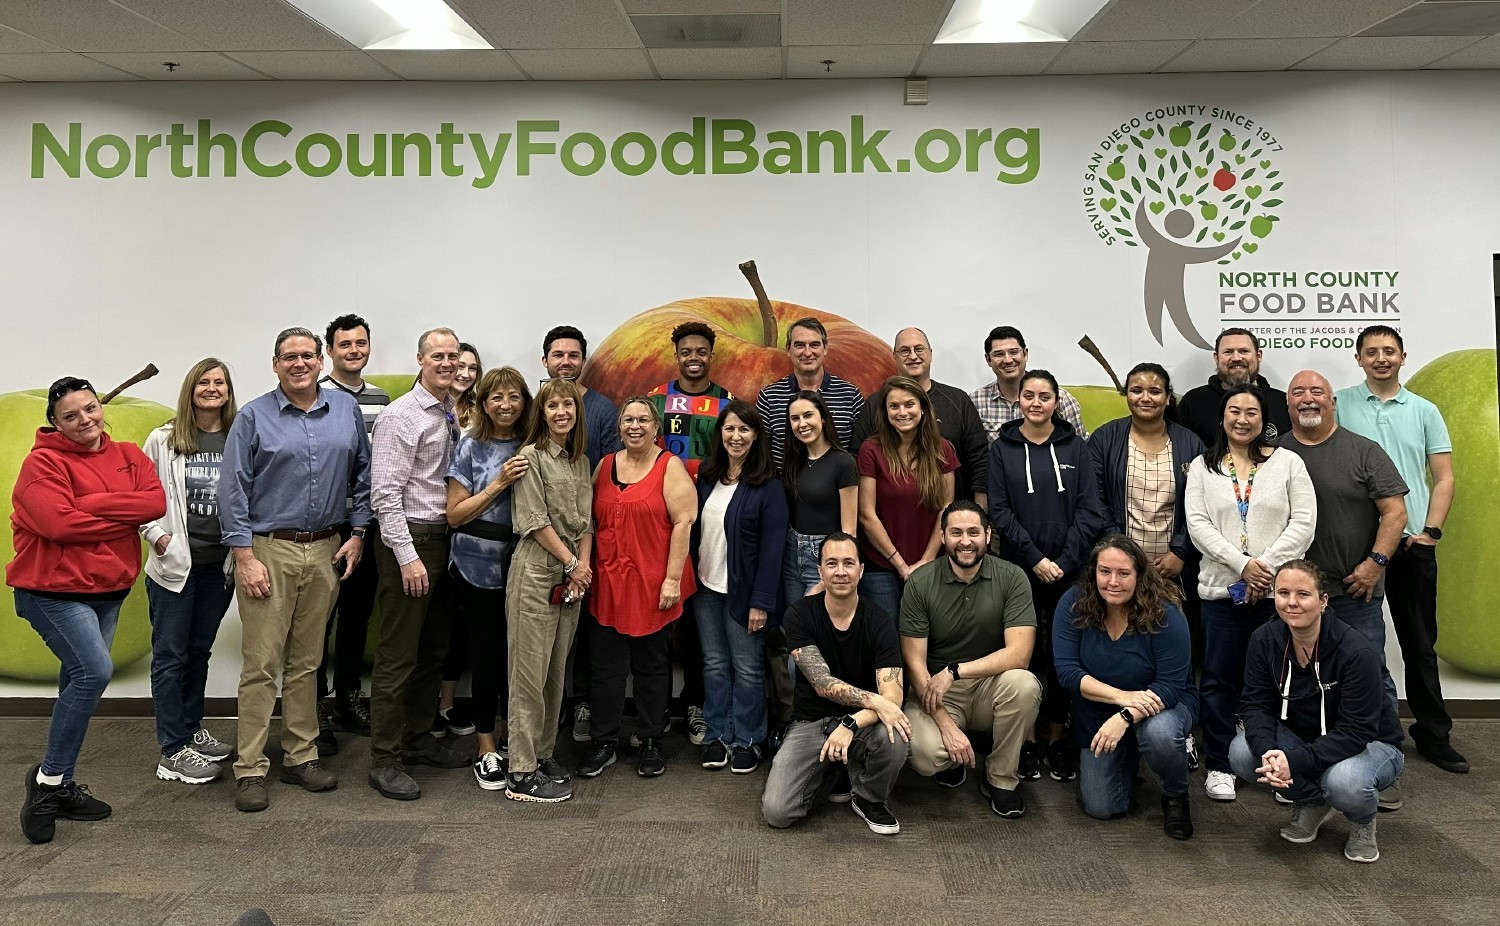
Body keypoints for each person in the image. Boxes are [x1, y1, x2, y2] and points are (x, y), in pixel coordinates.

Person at [220, 328, 370, 813]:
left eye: (308, 355)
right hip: (269, 551)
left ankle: (301, 756)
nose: (300, 363)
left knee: (306, 663)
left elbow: (364, 474)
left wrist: (359, 532)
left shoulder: (344, 410)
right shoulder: (253, 417)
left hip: (327, 547)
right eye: (290, 357)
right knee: (262, 664)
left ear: (322, 360)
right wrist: (244, 557)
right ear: (275, 363)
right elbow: (233, 490)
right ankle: (249, 768)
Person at [11, 377, 166, 843]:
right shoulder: (42, 463)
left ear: (101, 407)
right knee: (93, 673)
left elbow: (154, 502)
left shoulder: (129, 456)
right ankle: (48, 784)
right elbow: (57, 523)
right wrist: (123, 510)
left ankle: (60, 778)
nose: (85, 420)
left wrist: (90, 504)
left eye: (90, 408)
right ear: (55, 424)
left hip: (108, 590)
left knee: (74, 681)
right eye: (71, 416)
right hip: (52, 591)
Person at [1335, 326, 1466, 774]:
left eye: (1389, 351)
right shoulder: (1340, 404)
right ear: (1358, 359)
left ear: (1403, 356)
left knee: (1418, 644)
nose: (1380, 358)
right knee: (1353, 646)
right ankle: (1351, 729)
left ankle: (1433, 735)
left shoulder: (1425, 410)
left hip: (1411, 543)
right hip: (1358, 547)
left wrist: (1430, 531)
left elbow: (1443, 477)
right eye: (1371, 352)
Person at [1279, 369, 1408, 810]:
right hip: (1295, 601)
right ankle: (1303, 770)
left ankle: (1379, 768)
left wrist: (1375, 564)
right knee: (1298, 681)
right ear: (1288, 404)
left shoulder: (1363, 450)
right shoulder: (1275, 453)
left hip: (1354, 592)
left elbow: (1395, 513)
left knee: (1371, 675)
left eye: (1318, 391)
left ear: (1333, 402)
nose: (1308, 398)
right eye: (1298, 392)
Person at [1185, 384, 1315, 802]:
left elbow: (1305, 523)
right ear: (1223, 417)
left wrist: (1266, 569)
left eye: (1251, 413)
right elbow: (1198, 525)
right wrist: (1243, 566)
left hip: (1278, 598)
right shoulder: (1203, 468)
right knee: (1219, 681)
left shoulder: (1289, 463)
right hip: (1221, 595)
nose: (1242, 419)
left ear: (1264, 420)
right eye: (1234, 411)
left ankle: (1282, 763)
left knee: (1281, 681)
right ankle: (1221, 764)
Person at [1231, 560, 1404, 864]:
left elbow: (1356, 732)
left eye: (1303, 594)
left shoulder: (1355, 652)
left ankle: (1362, 821)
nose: (1292, 602)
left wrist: (1294, 760)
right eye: (1283, 593)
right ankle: (1312, 802)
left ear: (1323, 601)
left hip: (1371, 744)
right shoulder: (1265, 639)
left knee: (1345, 781)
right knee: (1243, 752)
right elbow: (1255, 706)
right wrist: (1270, 752)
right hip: (1304, 737)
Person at [987, 369, 1106, 783]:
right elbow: (999, 512)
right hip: (1020, 571)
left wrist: (1064, 560)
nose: (1036, 403)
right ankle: (1028, 740)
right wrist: (1037, 559)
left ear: (1057, 402)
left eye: (1045, 396)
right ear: (1018, 400)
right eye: (1029, 395)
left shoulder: (1077, 446)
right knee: (1026, 657)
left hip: (1070, 572)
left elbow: (1091, 510)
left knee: (1063, 657)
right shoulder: (1001, 448)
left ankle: (1058, 739)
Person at [367, 327, 470, 801]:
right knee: (399, 654)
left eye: (453, 356)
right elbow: (385, 495)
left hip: (447, 541)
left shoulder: (452, 411)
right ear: (421, 360)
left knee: (434, 650)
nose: (447, 363)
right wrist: (408, 558)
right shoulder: (401, 416)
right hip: (412, 542)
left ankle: (418, 737)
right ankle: (384, 760)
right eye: (438, 356)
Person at [576, 399, 698, 779]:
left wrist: (672, 580)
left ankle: (649, 740)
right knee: (606, 670)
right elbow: (590, 523)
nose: (635, 426)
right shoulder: (604, 465)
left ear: (655, 426)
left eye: (643, 419)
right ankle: (604, 742)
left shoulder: (669, 466)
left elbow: (683, 523)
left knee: (652, 668)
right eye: (628, 419)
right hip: (608, 584)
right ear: (619, 427)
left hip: (653, 584)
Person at [761, 533, 912, 835]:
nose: (840, 571)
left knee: (896, 737)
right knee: (777, 812)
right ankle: (834, 771)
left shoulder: (880, 622)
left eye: (848, 563)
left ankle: (868, 796)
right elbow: (821, 683)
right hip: (811, 721)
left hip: (863, 724)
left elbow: (891, 696)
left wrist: (852, 724)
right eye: (832, 563)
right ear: (820, 572)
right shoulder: (800, 615)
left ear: (861, 570)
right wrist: (877, 702)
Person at [900, 501, 1041, 818]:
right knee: (925, 756)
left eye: (974, 532)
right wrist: (946, 726)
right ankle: (952, 757)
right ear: (942, 536)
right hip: (936, 691)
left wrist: (956, 670)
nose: (965, 541)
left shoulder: (1012, 577)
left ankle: (1001, 779)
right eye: (956, 533)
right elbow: (915, 666)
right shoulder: (921, 583)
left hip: (990, 686)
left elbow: (1019, 654)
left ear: (988, 535)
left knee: (1025, 685)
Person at [1053, 535, 1199, 839]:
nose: (1113, 582)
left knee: (1159, 733)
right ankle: (1129, 757)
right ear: (1093, 572)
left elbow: (1171, 686)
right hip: (1098, 711)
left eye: (1123, 573)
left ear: (1139, 574)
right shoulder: (1074, 603)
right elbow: (1067, 672)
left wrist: (1125, 715)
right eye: (1105, 571)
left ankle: (1175, 795)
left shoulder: (1165, 612)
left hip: (1163, 705)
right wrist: (1122, 698)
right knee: (1101, 807)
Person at [140, 358, 238, 786]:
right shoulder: (163, 438)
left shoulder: (239, 437)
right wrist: (156, 535)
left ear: (228, 391)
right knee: (170, 658)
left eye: (220, 383)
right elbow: (140, 498)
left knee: (198, 651)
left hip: (220, 567)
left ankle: (191, 730)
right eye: (204, 382)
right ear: (191, 389)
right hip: (175, 567)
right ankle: (172, 749)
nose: (212, 389)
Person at [504, 377, 593, 803]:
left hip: (571, 577)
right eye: (553, 406)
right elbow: (534, 522)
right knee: (528, 675)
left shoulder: (580, 461)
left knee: (556, 673)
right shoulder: (531, 457)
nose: (562, 412)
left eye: (569, 405)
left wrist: (582, 568)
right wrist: (574, 563)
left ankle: (542, 754)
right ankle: (520, 771)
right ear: (542, 412)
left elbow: (587, 523)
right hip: (539, 572)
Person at [646, 321, 732, 748]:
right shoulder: (655, 402)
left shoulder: (728, 404)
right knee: (659, 615)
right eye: (686, 351)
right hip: (662, 525)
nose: (694, 357)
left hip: (712, 525)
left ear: (710, 356)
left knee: (701, 621)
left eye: (701, 351)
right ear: (676, 355)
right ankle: (655, 706)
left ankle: (696, 703)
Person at [446, 368, 531, 791]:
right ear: (483, 404)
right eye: (496, 397)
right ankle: (485, 746)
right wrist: (498, 484)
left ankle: (515, 736)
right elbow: (455, 514)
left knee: (520, 658)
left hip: (526, 566)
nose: (505, 405)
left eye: (514, 397)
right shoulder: (470, 448)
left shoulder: (536, 447)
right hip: (475, 567)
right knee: (486, 655)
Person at [691, 401, 786, 773]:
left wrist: (761, 601)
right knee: (714, 665)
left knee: (747, 668)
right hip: (706, 587)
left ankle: (748, 740)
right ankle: (717, 735)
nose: (736, 436)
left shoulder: (769, 485)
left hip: (745, 594)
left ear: (757, 435)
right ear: (720, 434)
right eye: (729, 429)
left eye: (744, 430)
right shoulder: (707, 475)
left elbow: (772, 550)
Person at [542, 325, 620, 745]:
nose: (566, 362)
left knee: (587, 621)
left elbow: (607, 472)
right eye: (558, 355)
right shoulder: (534, 405)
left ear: (583, 361)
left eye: (573, 355)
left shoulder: (604, 410)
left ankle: (583, 701)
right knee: (540, 626)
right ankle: (544, 710)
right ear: (545, 361)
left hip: (587, 533)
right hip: (537, 533)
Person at [316, 314, 388, 746]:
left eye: (361, 343)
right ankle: (315, 708)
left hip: (367, 523)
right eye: (345, 344)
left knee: (357, 615)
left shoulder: (381, 398)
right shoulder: (316, 395)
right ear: (330, 351)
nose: (354, 350)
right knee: (318, 620)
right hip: (325, 523)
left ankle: (347, 697)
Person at [773, 390, 859, 726]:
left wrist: (830, 575)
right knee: (795, 644)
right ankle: (800, 720)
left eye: (808, 415)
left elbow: (849, 529)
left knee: (820, 646)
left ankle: (826, 720)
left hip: (825, 558)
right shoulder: (793, 461)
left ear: (822, 418)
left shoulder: (842, 462)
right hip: (791, 556)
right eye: (794, 418)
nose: (802, 423)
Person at [1089, 363, 1204, 588]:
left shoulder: (1190, 443)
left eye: (1154, 391)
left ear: (1168, 397)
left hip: (1172, 570)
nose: (1145, 398)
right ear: (1126, 395)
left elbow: (1201, 506)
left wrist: (1180, 552)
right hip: (1118, 567)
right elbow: (1095, 501)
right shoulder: (1104, 439)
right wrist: (1120, 550)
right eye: (1136, 390)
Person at [856, 375, 959, 623]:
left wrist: (926, 560)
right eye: (894, 406)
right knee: (888, 638)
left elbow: (947, 508)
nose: (902, 412)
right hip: (881, 565)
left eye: (909, 404)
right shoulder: (871, 450)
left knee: (929, 634)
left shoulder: (942, 448)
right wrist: (901, 566)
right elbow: (866, 515)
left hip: (932, 562)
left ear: (922, 408)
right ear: (885, 411)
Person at [851, 328, 989, 504]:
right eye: (905, 351)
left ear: (930, 354)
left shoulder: (957, 400)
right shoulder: (875, 404)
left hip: (950, 518)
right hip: (889, 517)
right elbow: (858, 459)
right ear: (894, 357)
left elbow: (979, 460)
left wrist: (979, 513)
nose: (913, 356)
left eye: (919, 349)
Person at [435, 341, 485, 737]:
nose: (464, 373)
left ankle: (449, 706)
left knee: (464, 630)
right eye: (459, 365)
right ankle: (436, 707)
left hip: (471, 530)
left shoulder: (479, 415)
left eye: (472, 367)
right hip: (437, 524)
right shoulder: (432, 410)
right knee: (439, 626)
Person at [755, 316, 865, 472]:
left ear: (825, 348)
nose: (807, 352)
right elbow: (759, 453)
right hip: (784, 491)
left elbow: (862, 454)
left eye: (814, 345)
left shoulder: (851, 396)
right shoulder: (769, 397)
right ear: (788, 349)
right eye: (799, 345)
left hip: (837, 492)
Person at [971, 326, 1088, 443]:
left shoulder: (1061, 399)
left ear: (1025, 354)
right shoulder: (975, 402)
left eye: (1014, 352)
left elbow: (1081, 448)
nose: (1008, 360)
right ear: (988, 360)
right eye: (999, 354)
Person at [1177, 329, 1293, 447]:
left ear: (1258, 356)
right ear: (1216, 358)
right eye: (1228, 352)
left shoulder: (1282, 402)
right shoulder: (1193, 402)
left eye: (1244, 351)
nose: (1236, 358)